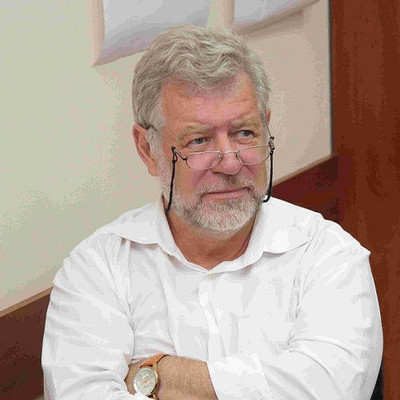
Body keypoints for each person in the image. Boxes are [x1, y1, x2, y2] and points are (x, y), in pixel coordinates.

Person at [42, 25, 382, 399]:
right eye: (199, 140)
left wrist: (158, 375)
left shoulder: (329, 257)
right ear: (147, 150)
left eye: (244, 133)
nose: (230, 163)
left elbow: (328, 390)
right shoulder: (98, 270)